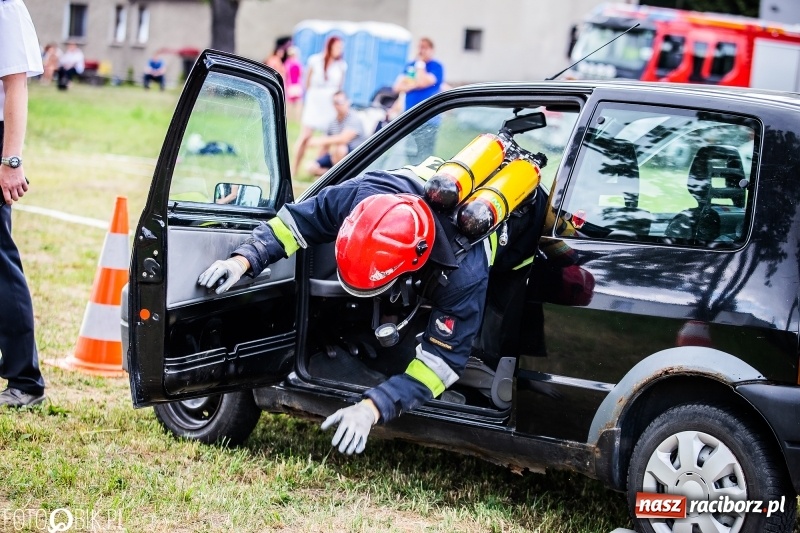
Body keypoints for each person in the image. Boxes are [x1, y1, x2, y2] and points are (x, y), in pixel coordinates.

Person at [197, 156, 494, 455]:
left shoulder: (463, 274)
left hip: (510, 251)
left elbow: (440, 364)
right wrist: (243, 260)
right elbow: (296, 223)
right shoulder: (359, 195)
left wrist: (373, 407)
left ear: (412, 267)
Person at [0, 0, 46, 408]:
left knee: (0, 258)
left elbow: (15, 85)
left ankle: (25, 380)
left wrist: (10, 161)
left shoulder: (7, 8)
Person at [292, 35, 347, 176]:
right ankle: (294, 169)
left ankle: (315, 168)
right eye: (337, 47)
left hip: (329, 104)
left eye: (341, 47)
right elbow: (307, 82)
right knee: (305, 136)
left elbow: (340, 86)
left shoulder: (341, 66)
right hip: (315, 102)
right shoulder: (315, 60)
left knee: (325, 140)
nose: (339, 50)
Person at [393, 37, 445, 156]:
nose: (421, 51)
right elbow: (397, 87)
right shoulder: (411, 65)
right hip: (410, 116)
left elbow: (422, 82)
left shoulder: (436, 67)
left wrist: (420, 66)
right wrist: (413, 85)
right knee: (411, 153)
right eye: (420, 47)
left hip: (429, 118)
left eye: (425, 48)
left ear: (432, 50)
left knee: (425, 154)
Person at [305, 91, 365, 176]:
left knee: (341, 148)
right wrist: (318, 161)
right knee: (311, 167)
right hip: (337, 158)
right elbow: (325, 146)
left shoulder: (354, 118)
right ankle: (331, 175)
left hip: (355, 157)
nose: (338, 105)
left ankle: (335, 175)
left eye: (340, 102)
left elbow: (343, 139)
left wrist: (318, 141)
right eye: (335, 103)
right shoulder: (333, 121)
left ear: (348, 102)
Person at [283, 46, 303, 121]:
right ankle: (296, 118)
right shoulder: (297, 63)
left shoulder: (287, 63)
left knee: (290, 103)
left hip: (291, 84)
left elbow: (286, 74)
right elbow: (300, 74)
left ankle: (289, 118)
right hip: (296, 84)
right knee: (297, 103)